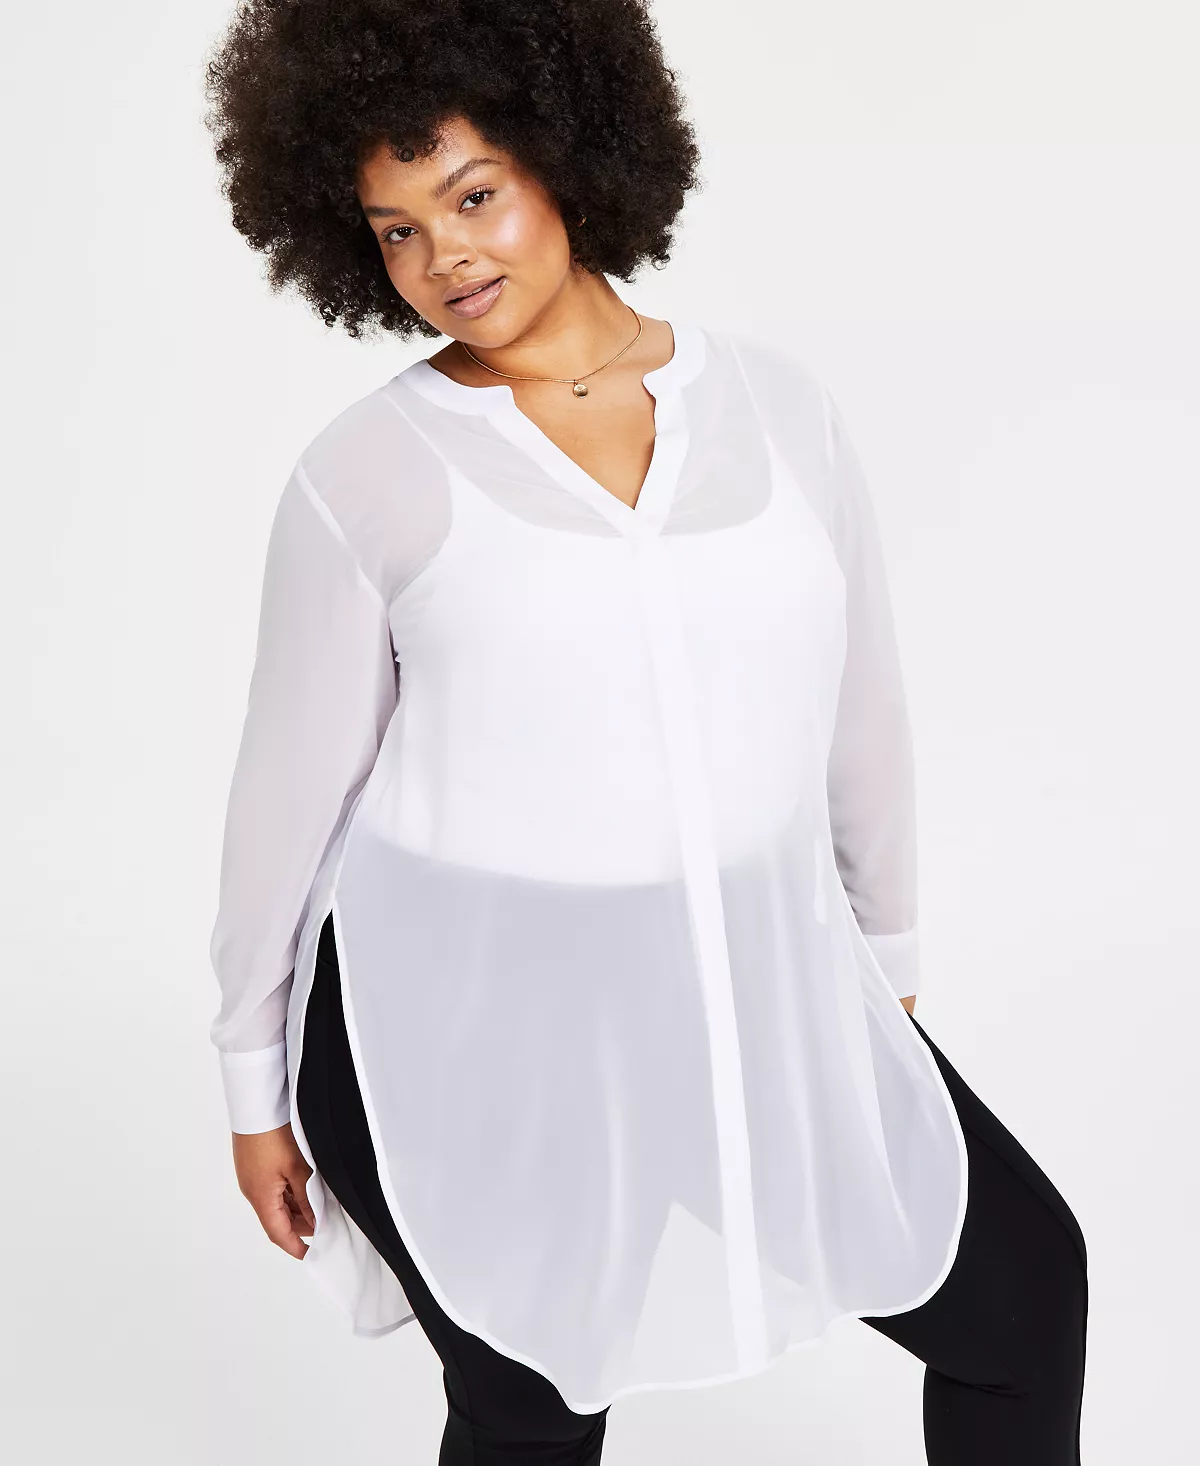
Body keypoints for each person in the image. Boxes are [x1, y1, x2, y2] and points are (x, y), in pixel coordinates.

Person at [202, 3, 1088, 1462]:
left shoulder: (780, 412)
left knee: (1022, 1294)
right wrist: (252, 1087)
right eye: (396, 230)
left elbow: (861, 711)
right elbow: (281, 808)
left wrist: (883, 970)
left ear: (566, 154)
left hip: (741, 969)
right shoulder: (365, 475)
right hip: (457, 1013)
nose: (443, 258)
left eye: (473, 195)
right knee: (536, 1401)